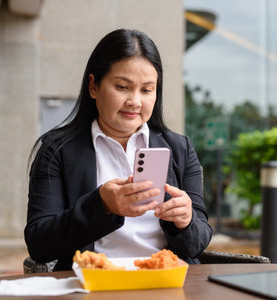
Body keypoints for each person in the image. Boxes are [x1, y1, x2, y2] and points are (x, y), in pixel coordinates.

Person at [24, 29, 212, 271]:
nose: (135, 101)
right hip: (95, 284)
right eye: (122, 87)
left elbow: (198, 242)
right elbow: (39, 245)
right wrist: (102, 206)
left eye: (146, 90)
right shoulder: (56, 150)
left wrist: (186, 222)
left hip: (167, 282)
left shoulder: (180, 149)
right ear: (94, 86)